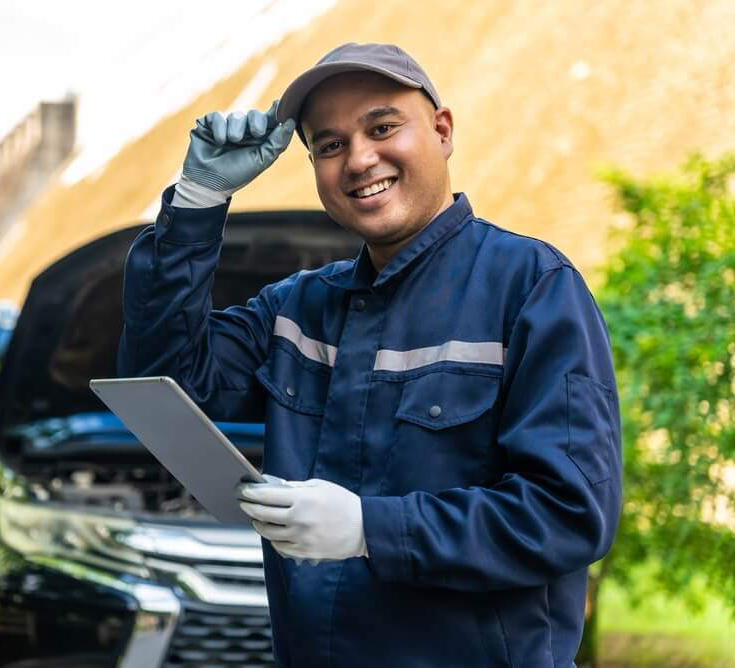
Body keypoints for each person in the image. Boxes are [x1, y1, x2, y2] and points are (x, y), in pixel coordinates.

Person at [118, 42, 622, 668]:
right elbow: (159, 382)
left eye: (382, 127)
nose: (358, 159)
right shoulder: (296, 309)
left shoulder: (532, 288)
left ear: (442, 131)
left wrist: (370, 531)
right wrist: (197, 201)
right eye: (329, 145)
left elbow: (568, 513)